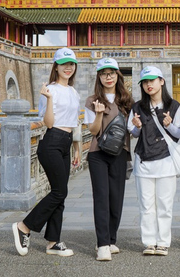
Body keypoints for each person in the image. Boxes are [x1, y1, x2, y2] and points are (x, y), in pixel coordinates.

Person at [12, 47, 81, 257]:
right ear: (56, 67)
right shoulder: (49, 90)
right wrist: (49, 99)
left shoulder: (73, 91)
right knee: (60, 192)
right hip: (51, 142)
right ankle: (24, 226)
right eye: (63, 64)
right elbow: (49, 123)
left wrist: (77, 147)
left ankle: (53, 242)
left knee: (59, 192)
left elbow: (75, 122)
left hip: (66, 142)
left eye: (71, 64)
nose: (68, 68)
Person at [128, 66, 180, 256]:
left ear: (161, 81)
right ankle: (149, 242)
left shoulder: (174, 106)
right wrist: (136, 126)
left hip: (165, 161)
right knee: (146, 205)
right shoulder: (137, 107)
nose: (148, 85)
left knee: (164, 205)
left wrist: (169, 125)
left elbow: (178, 134)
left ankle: (163, 242)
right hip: (144, 160)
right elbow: (134, 133)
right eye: (145, 82)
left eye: (152, 81)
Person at [84, 57, 133, 261]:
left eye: (112, 73)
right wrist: (98, 114)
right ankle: (102, 244)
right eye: (104, 74)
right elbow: (93, 131)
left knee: (116, 198)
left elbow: (132, 129)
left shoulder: (127, 100)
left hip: (120, 153)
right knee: (101, 197)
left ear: (117, 75)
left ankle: (112, 239)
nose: (108, 77)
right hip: (98, 153)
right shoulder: (92, 100)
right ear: (99, 77)